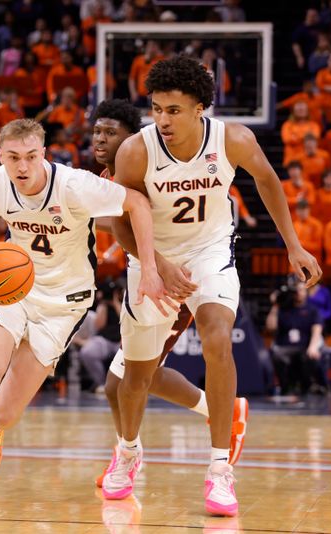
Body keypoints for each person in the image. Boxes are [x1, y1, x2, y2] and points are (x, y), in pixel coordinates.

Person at [0, 118, 168, 514]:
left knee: (7, 412)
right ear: (1, 157)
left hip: (65, 303)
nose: (22, 166)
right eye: (13, 157)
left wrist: (150, 268)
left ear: (43, 154)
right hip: (14, 288)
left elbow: (136, 203)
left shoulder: (75, 185)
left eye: (31, 156)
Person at [108, 56, 321, 517]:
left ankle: (220, 469)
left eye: (174, 110)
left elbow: (267, 179)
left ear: (201, 107)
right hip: (150, 257)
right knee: (135, 375)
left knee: (218, 339)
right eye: (157, 108)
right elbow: (118, 221)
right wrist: (157, 265)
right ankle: (127, 452)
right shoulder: (136, 151)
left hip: (210, 252)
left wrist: (294, 246)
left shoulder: (233, 140)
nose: (162, 119)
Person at [89, 99, 249, 493]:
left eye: (110, 133)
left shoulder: (146, 159)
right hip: (147, 273)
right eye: (97, 131)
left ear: (131, 139)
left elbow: (121, 224)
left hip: (175, 278)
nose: (100, 139)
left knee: (132, 378)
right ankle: (210, 415)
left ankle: (134, 450)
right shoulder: (108, 174)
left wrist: (88, 216)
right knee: (122, 383)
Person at [267, 279, 325, 395]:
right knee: (277, 355)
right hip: (285, 346)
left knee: (312, 356)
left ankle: (308, 387)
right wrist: (275, 305)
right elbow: (270, 327)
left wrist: (313, 346)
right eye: (296, 290)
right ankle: (285, 387)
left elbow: (317, 330)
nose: (298, 293)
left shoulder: (312, 310)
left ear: (306, 292)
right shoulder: (284, 308)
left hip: (304, 346)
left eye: (301, 290)